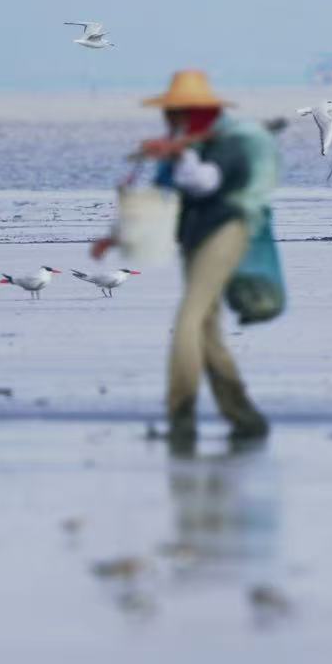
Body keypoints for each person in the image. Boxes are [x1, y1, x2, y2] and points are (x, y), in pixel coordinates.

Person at [95, 69, 275, 443]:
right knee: (207, 330)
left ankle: (181, 418)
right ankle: (244, 417)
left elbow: (207, 183)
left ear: (195, 111)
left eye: (176, 112)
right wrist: (115, 236)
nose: (169, 119)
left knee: (188, 319)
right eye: (169, 112)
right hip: (193, 235)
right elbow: (158, 196)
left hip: (225, 232)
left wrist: (182, 152)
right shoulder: (180, 143)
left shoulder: (230, 142)